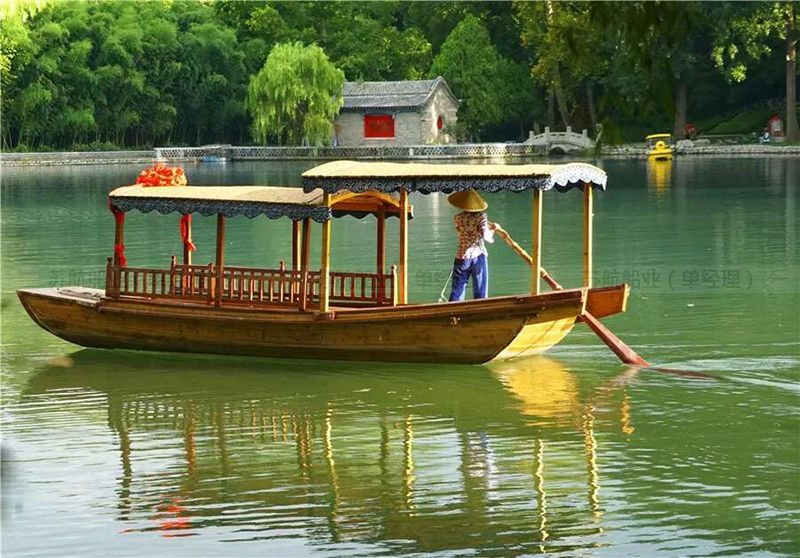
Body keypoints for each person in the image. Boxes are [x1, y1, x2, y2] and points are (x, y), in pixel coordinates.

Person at [446, 189, 500, 301]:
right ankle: (480, 308)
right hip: (478, 255)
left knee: (457, 291)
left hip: (462, 256)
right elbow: (486, 236)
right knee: (480, 291)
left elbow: (468, 230)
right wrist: (494, 230)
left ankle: (453, 309)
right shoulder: (481, 216)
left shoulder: (457, 218)